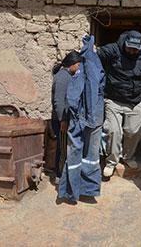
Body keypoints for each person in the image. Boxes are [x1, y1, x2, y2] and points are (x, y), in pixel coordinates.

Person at [97, 30, 141, 178]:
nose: (132, 51)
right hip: (113, 99)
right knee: (113, 131)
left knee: (135, 130)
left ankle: (128, 156)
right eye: (129, 47)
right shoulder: (114, 49)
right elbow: (97, 56)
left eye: (136, 49)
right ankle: (111, 162)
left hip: (135, 101)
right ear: (125, 43)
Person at [58, 35, 105, 203]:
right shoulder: (98, 64)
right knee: (92, 156)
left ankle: (71, 190)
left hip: (80, 118)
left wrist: (73, 115)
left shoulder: (83, 67)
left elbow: (72, 96)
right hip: (97, 117)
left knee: (74, 154)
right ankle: (89, 189)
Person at [51, 51, 83, 185]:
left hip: (65, 119)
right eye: (78, 65)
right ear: (72, 64)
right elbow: (58, 101)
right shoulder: (62, 77)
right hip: (62, 120)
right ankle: (59, 175)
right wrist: (62, 120)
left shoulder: (68, 75)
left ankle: (63, 174)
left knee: (64, 146)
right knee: (63, 148)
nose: (79, 68)